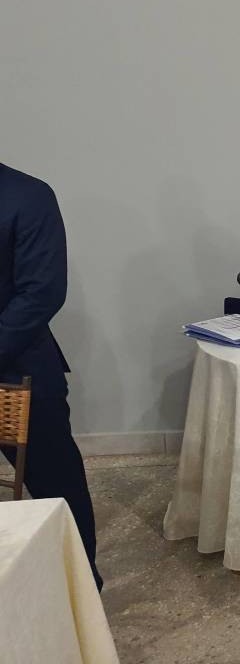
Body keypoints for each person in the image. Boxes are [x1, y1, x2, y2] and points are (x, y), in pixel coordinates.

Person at [0, 162, 102, 590]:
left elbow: (41, 292)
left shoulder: (27, 194)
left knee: (57, 486)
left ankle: (81, 590)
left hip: (17, 371)